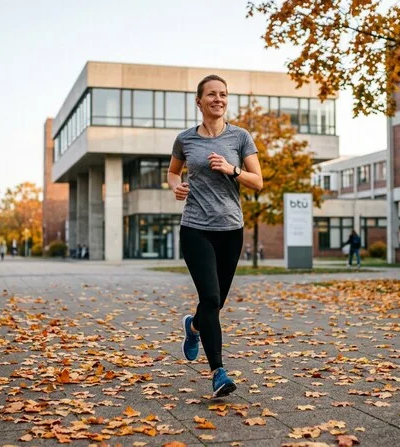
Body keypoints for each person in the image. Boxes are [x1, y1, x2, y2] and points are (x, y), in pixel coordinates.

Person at [168, 74, 263, 398]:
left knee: (215, 303)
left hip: (230, 229)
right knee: (209, 297)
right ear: (199, 101)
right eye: (211, 94)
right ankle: (218, 372)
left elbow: (258, 181)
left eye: (223, 94)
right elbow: (172, 172)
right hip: (195, 228)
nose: (218, 99)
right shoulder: (185, 140)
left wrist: (231, 169)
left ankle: (193, 327)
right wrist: (175, 187)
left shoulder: (240, 137)